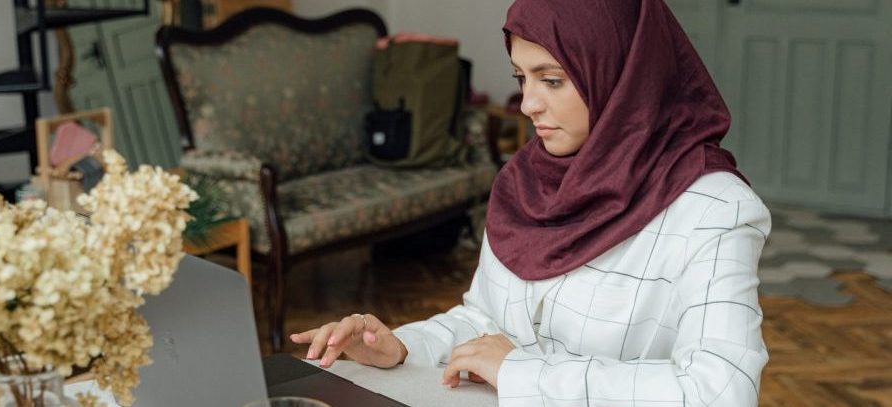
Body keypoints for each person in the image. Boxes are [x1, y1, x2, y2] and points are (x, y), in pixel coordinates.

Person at [291, 0, 771, 405]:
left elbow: (721, 389)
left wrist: (525, 373)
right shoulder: (526, 182)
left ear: (622, 76)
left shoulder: (714, 208)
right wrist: (400, 347)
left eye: (553, 80)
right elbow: (484, 320)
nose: (527, 104)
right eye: (522, 77)